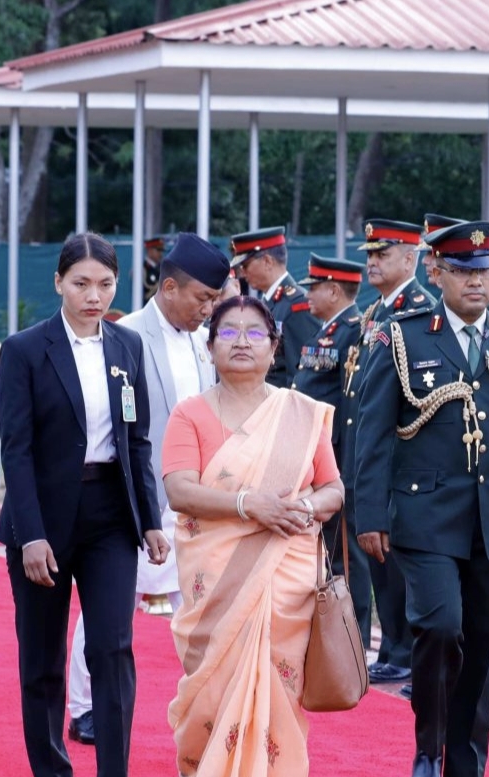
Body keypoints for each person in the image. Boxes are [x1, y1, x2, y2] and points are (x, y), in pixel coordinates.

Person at [354, 220, 489, 777]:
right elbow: (373, 431)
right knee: (439, 626)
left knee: (482, 645)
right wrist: (369, 514)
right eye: (462, 271)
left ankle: (465, 770)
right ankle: (427, 750)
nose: (476, 282)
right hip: (425, 515)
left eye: (485, 271)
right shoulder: (403, 337)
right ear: (435, 271)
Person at [0, 232, 169, 777]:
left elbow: (137, 439)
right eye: (81, 284)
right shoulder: (24, 350)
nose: (94, 296)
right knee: (42, 657)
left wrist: (149, 519)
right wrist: (33, 534)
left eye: (106, 285)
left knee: (112, 649)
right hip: (41, 517)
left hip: (108, 516)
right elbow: (14, 450)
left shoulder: (127, 346)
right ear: (59, 284)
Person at [164, 295, 344, 777]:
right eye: (228, 331)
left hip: (285, 579)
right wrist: (249, 505)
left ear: (274, 346)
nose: (241, 341)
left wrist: (304, 507)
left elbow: (333, 488)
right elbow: (180, 491)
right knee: (211, 693)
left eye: (255, 332)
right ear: (210, 344)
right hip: (215, 583)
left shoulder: (301, 413)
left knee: (279, 701)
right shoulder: (190, 414)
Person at [64, 233, 227, 746]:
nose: (209, 309)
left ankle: (207, 700)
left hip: (194, 499)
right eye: (203, 298)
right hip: (135, 500)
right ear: (171, 287)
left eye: (215, 300)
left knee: (200, 607)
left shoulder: (206, 343)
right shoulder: (124, 336)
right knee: (107, 612)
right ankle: (85, 707)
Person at [350, 219, 431, 685]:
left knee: (401, 567)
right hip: (374, 459)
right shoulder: (377, 312)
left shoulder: (417, 308)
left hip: (404, 461)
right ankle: (395, 648)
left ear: (410, 258)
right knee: (382, 563)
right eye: (370, 254)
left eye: (383, 254)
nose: (372, 262)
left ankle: (408, 653)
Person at [292, 253, 373, 646]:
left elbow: (350, 403)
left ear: (334, 290)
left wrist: (340, 463)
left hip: (337, 458)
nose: (309, 295)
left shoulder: (352, 332)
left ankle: (352, 637)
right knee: (330, 551)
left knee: (347, 555)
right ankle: (337, 632)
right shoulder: (326, 330)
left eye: (315, 288)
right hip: (316, 456)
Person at [229, 226, 318, 388]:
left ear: (267, 262)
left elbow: (301, 373)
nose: (242, 273)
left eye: (245, 265)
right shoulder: (270, 302)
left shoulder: (297, 305)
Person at [142, 236, 166, 303]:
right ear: (149, 250)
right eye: (158, 250)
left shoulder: (162, 268)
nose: (161, 254)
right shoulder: (143, 269)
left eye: (162, 251)